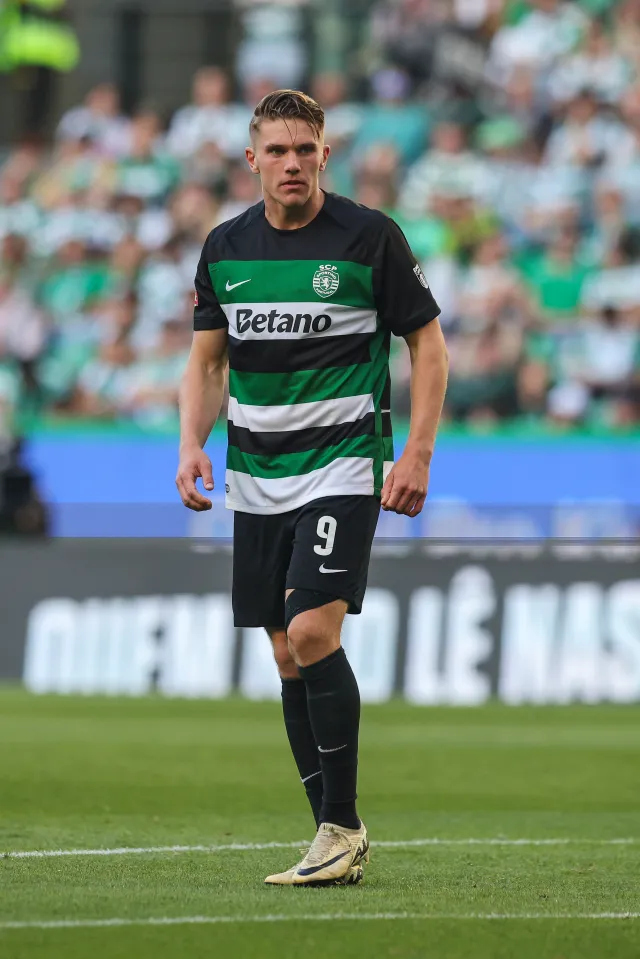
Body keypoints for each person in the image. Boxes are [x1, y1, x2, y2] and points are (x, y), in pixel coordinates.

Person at [176, 90, 448, 887]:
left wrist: (418, 452)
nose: (292, 163)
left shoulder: (369, 237)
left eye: (305, 149)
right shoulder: (225, 247)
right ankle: (332, 833)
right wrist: (191, 442)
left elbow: (428, 346)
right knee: (284, 653)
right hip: (256, 473)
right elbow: (206, 362)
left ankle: (342, 824)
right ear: (252, 160)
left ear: (326, 155)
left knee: (310, 633)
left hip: (343, 463)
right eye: (278, 150)